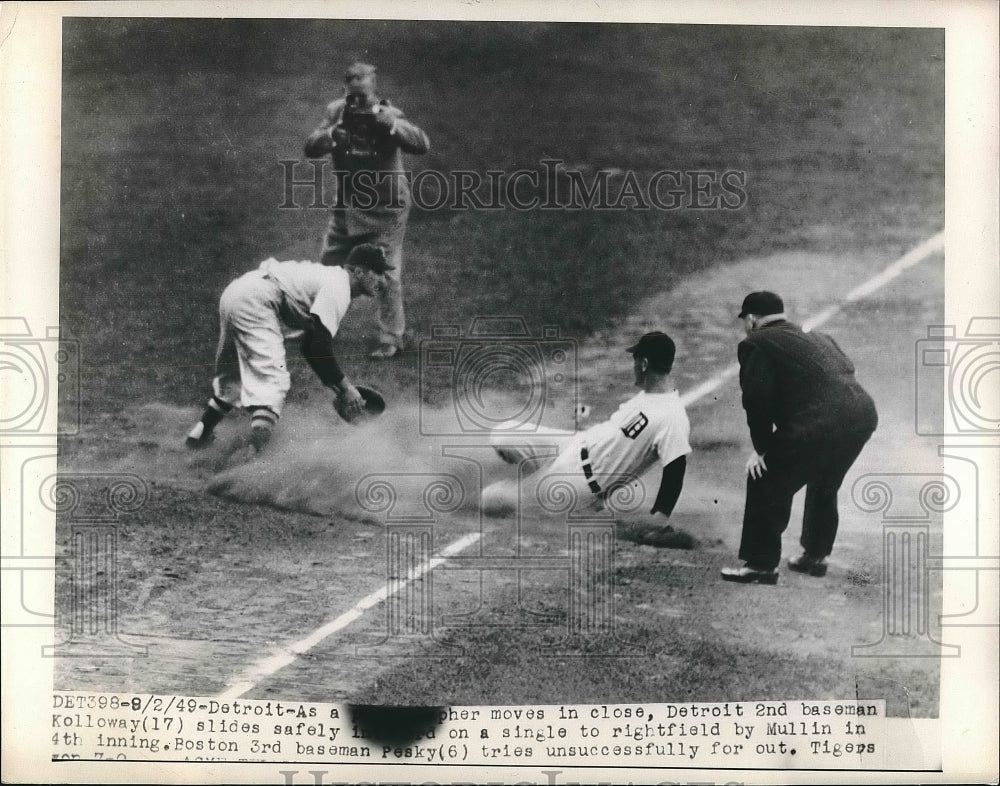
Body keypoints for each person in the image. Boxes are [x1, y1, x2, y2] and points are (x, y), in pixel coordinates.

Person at [721, 291, 878, 584]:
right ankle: (815, 556)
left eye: (746, 320)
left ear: (752, 320)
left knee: (764, 477)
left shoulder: (755, 343)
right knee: (824, 480)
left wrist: (762, 449)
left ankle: (761, 564)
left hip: (821, 421)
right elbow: (846, 369)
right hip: (862, 415)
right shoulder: (820, 337)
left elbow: (757, 400)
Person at [185, 244, 391, 452]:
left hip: (237, 293)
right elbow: (319, 347)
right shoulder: (339, 286)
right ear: (358, 271)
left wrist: (339, 389)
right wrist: (346, 388)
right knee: (272, 387)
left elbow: (310, 347)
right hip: (256, 300)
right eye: (378, 272)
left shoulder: (330, 278)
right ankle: (253, 464)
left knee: (233, 380)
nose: (383, 281)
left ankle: (198, 437)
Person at [482, 332, 691, 522]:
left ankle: (533, 492)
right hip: (572, 444)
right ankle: (534, 481)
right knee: (501, 434)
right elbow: (622, 444)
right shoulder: (647, 396)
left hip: (578, 483)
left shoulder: (672, 416)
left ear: (644, 364)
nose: (633, 367)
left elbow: (675, 468)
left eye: (635, 361)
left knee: (491, 499)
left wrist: (659, 518)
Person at [304, 62, 430, 360]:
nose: (358, 104)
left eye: (364, 98)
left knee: (386, 271)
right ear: (344, 91)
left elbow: (422, 143)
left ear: (375, 93)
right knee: (328, 266)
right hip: (348, 205)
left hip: (387, 208)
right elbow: (310, 147)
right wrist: (332, 135)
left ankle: (391, 337)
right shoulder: (335, 113)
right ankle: (310, 321)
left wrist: (393, 126)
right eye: (353, 97)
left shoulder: (389, 114)